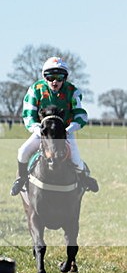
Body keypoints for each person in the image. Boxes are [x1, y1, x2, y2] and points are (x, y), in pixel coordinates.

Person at [10, 57, 98, 196]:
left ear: (65, 78)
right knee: (22, 152)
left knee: (76, 159)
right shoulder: (35, 90)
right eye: (50, 77)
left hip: (65, 133)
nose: (55, 81)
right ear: (45, 77)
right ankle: (21, 179)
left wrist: (69, 129)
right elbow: (28, 115)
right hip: (43, 132)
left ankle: (83, 180)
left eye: (59, 77)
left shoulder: (72, 91)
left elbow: (80, 115)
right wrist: (37, 129)